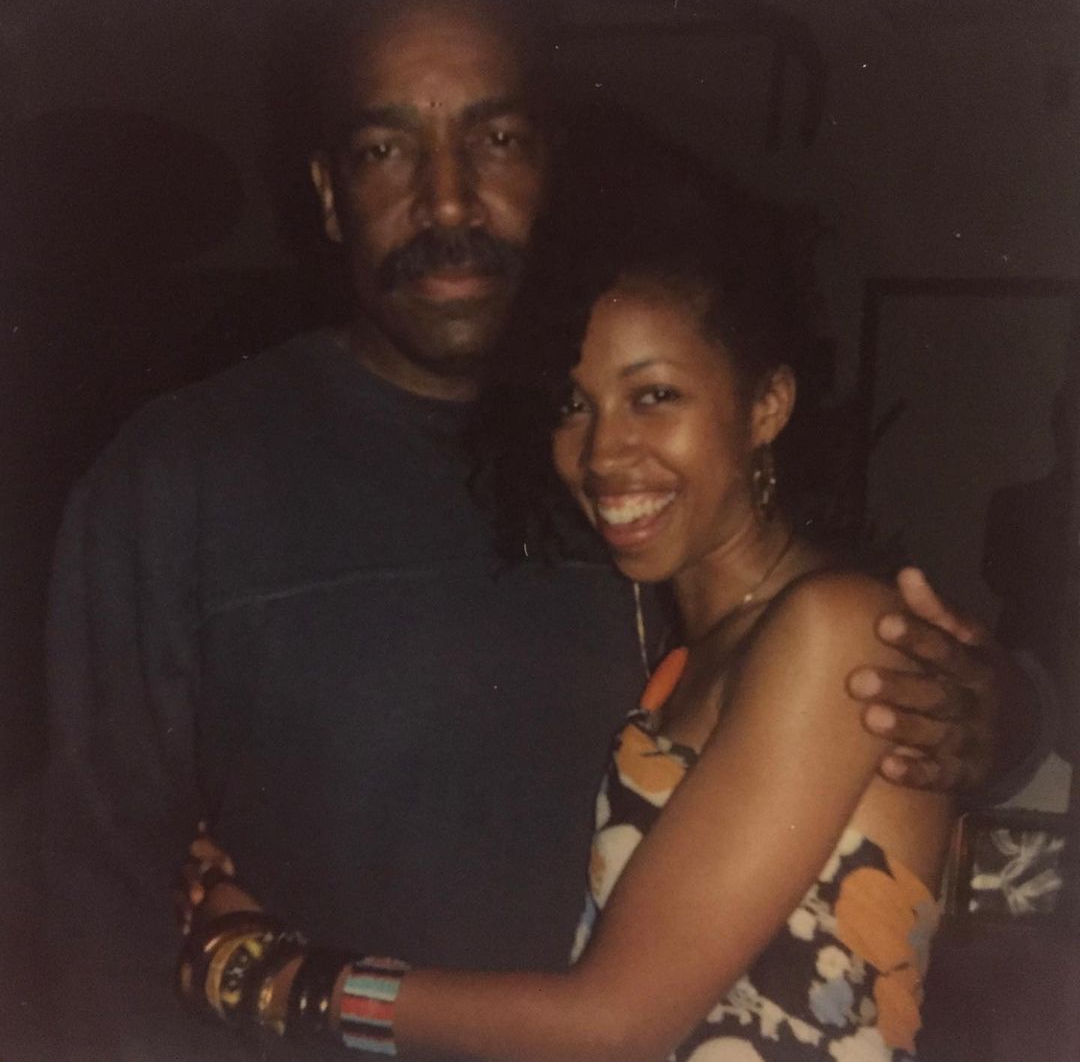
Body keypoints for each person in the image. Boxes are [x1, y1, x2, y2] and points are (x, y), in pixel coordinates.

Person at [40, 0, 1029, 1062]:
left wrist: (997, 715)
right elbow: (89, 885)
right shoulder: (183, 472)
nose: (447, 201)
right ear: (327, 192)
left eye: (497, 139)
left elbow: (839, 695)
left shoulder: (630, 495)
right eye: (386, 149)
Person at [176, 145, 953, 1060]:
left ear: (767, 406)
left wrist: (276, 980)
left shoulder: (836, 627)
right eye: (574, 406)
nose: (603, 453)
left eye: (654, 395)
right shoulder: (679, 649)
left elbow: (612, 1025)